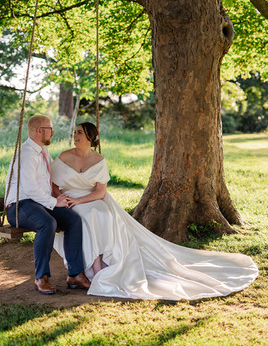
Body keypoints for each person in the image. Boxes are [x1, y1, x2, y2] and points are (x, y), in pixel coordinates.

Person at [51, 122, 258, 301]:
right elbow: (53, 185)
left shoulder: (98, 160)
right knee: (88, 216)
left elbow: (100, 191)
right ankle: (91, 267)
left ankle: (97, 266)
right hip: (67, 200)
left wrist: (79, 199)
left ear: (90, 137)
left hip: (90, 198)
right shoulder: (64, 156)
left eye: (79, 132)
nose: (75, 136)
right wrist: (63, 198)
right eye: (75, 132)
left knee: (99, 214)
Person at [5, 114, 91, 295]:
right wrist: (54, 202)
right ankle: (41, 278)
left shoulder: (43, 151)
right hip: (19, 206)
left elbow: (55, 178)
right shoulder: (27, 153)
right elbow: (30, 188)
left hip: (39, 204)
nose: (53, 132)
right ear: (38, 131)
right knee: (48, 223)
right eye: (49, 129)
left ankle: (75, 274)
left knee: (73, 219)